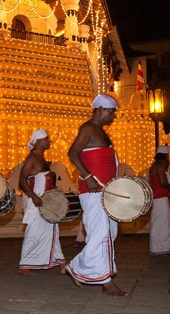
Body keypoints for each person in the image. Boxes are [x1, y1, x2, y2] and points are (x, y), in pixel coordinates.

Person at [65, 94, 128, 297]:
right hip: (93, 191)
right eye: (111, 112)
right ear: (100, 109)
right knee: (100, 234)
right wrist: (88, 177)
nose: (113, 117)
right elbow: (73, 153)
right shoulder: (88, 128)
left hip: (106, 192)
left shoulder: (100, 131)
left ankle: (76, 267)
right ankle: (106, 283)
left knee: (109, 233)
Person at [18, 129, 66, 275]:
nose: (48, 141)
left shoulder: (41, 158)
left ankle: (62, 263)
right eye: (46, 139)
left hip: (46, 202)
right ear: (38, 142)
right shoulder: (32, 159)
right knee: (34, 232)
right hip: (37, 201)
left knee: (52, 231)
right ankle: (24, 265)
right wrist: (34, 197)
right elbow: (21, 181)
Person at [148, 145, 170, 255]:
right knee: (161, 223)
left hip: (159, 196)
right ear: (166, 155)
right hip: (161, 197)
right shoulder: (159, 166)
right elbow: (163, 182)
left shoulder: (156, 165)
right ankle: (158, 248)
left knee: (164, 223)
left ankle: (165, 248)